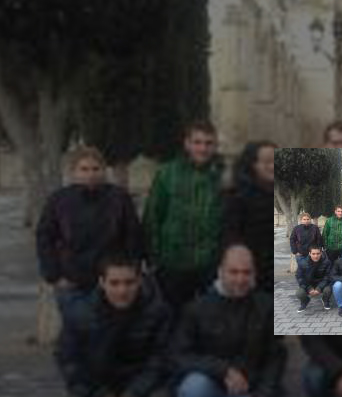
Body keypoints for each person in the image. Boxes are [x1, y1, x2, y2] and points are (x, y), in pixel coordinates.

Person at [174, 245, 286, 397]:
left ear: (254, 274)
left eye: (246, 272)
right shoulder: (197, 308)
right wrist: (222, 370)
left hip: (248, 393)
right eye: (233, 272)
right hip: (211, 389)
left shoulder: (266, 306)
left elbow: (275, 359)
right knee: (192, 387)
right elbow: (179, 356)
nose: (240, 279)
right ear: (220, 272)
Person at [54, 255, 173, 397]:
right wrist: (100, 396)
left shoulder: (158, 311)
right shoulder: (79, 312)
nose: (122, 290)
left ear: (140, 281)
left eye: (129, 282)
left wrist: (134, 396)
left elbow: (161, 360)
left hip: (139, 382)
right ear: (101, 282)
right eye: (114, 283)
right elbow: (69, 362)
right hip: (97, 384)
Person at [37, 147, 143, 314]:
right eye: (84, 169)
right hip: (72, 283)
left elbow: (133, 236)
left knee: (111, 333)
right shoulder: (59, 200)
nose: (90, 174)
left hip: (111, 283)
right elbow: (44, 238)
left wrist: (133, 271)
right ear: (74, 172)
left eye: (95, 168)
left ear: (103, 170)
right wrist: (54, 276)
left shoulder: (119, 198)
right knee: (78, 332)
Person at [143, 121, 224, 312]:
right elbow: (153, 216)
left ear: (214, 146)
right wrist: (153, 258)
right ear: (187, 144)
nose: (202, 148)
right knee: (175, 316)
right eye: (197, 142)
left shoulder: (222, 176)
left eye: (208, 143)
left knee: (210, 316)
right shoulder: (167, 173)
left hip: (210, 262)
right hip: (173, 261)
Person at [223, 142, 275, 292]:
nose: (272, 167)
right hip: (250, 276)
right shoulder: (237, 198)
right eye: (266, 162)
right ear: (253, 165)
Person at [295, 245, 332, 312]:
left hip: (321, 283)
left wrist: (319, 288)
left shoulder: (327, 262)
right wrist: (309, 288)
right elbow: (299, 277)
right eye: (313, 254)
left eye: (318, 253)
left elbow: (327, 277)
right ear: (309, 253)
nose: (316, 256)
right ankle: (305, 301)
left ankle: (325, 300)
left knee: (328, 290)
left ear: (321, 253)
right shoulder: (302, 263)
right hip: (308, 284)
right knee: (299, 293)